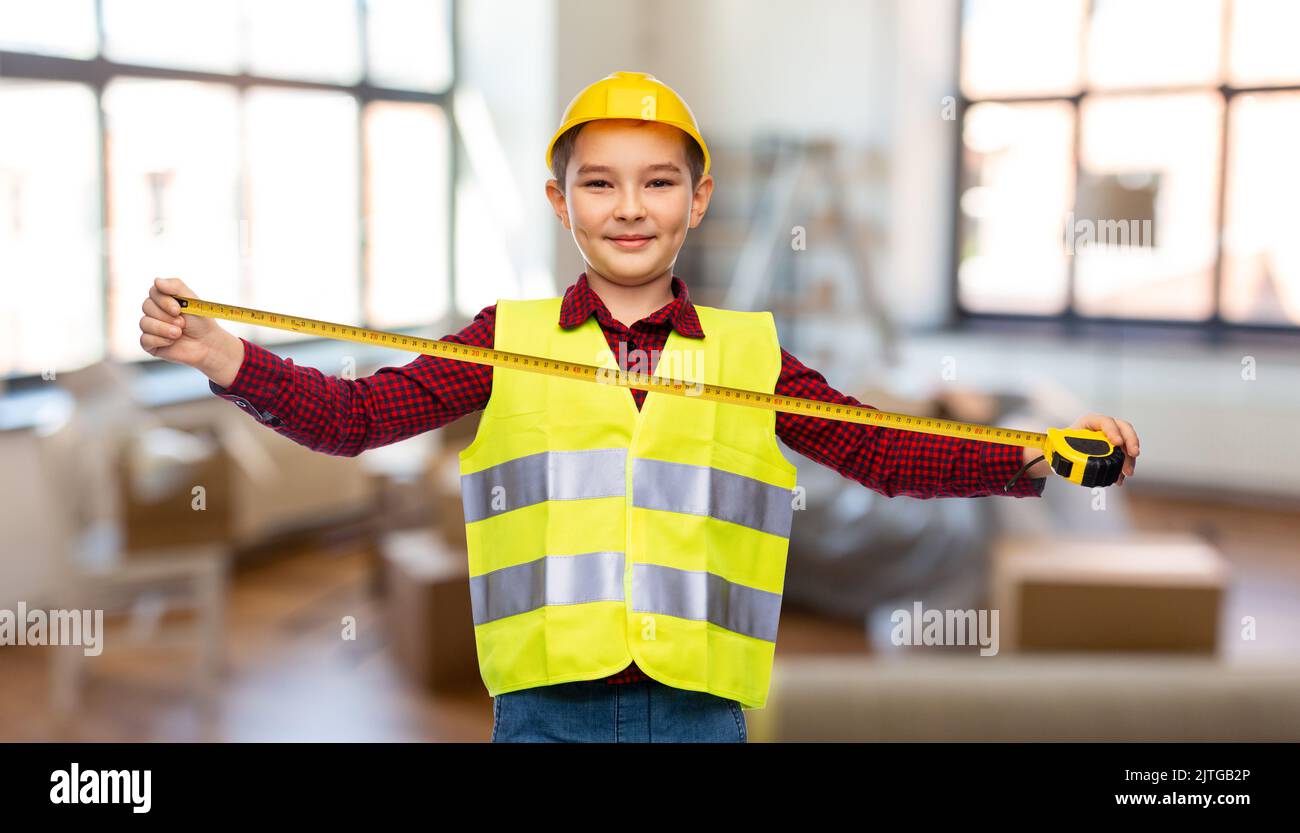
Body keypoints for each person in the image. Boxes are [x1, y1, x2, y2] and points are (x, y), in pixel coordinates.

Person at [137, 71, 1140, 743]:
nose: (628, 206)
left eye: (658, 181)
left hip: (703, 706)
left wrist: (1033, 455)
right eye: (599, 182)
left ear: (696, 199)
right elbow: (350, 418)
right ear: (558, 200)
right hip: (543, 706)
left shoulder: (751, 354)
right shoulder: (503, 337)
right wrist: (226, 356)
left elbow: (883, 451)